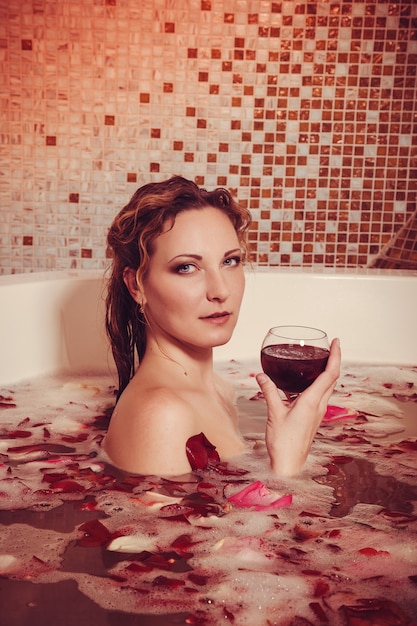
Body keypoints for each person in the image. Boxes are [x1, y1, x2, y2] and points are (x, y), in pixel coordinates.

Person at [104, 176, 340, 477]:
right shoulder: (161, 415)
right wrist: (287, 467)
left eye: (230, 261)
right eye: (186, 267)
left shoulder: (221, 390)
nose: (220, 290)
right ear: (137, 287)